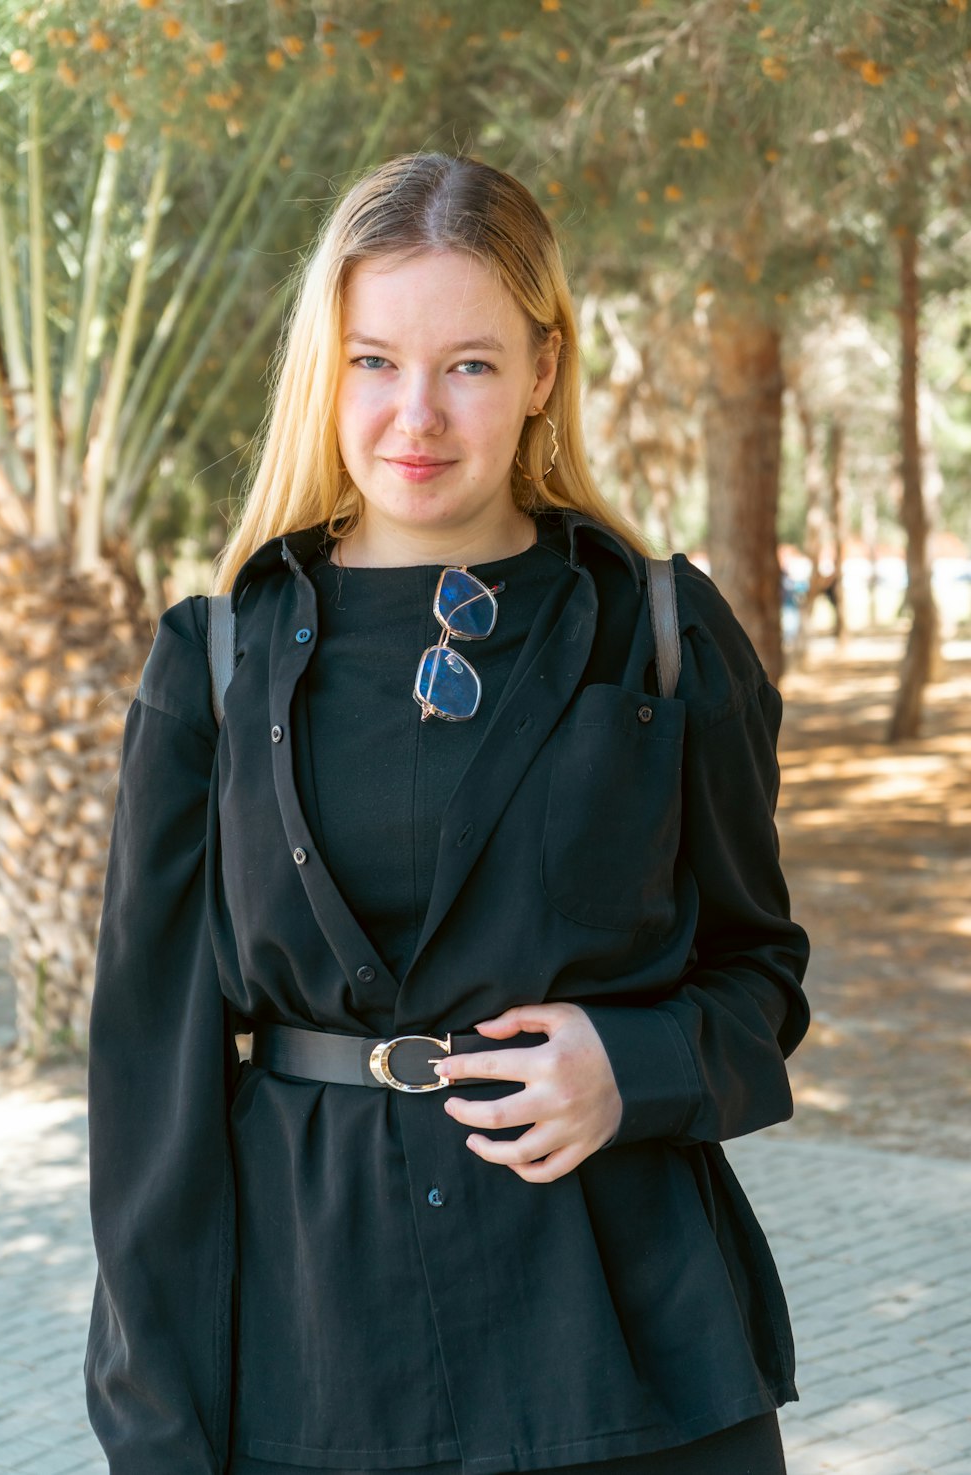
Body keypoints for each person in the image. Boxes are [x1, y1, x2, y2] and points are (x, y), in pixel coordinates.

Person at [85, 152, 809, 1475]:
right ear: (326, 370)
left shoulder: (658, 635)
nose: (417, 413)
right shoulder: (216, 666)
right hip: (312, 1371)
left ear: (543, 371)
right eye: (375, 362)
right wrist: (157, 1436)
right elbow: (151, 1093)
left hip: (631, 1365)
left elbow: (761, 976)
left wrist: (631, 1068)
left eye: (468, 364)